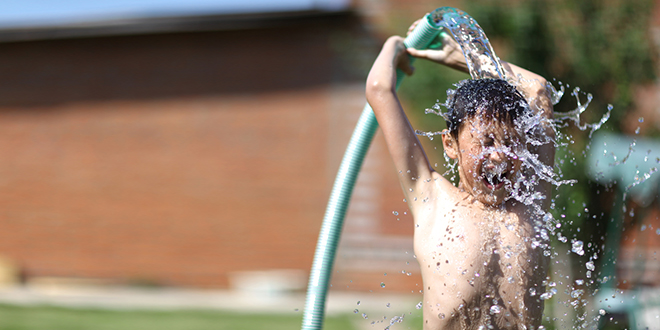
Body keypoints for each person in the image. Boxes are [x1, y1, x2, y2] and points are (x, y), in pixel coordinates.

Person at [365, 21, 555, 330]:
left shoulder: (532, 199)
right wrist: (399, 45)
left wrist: (461, 57)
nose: (499, 155)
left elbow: (537, 89)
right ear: (450, 145)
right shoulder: (431, 198)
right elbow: (378, 89)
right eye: (487, 141)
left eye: (510, 142)